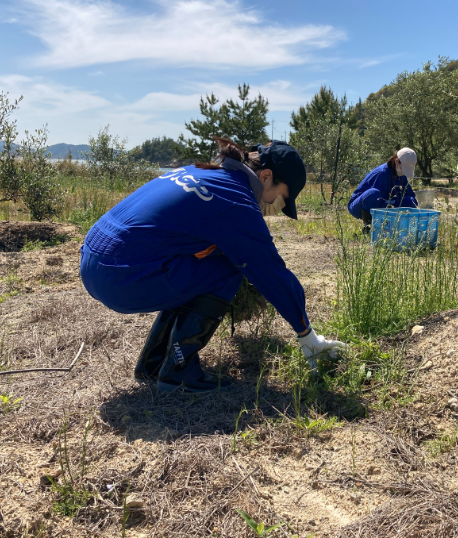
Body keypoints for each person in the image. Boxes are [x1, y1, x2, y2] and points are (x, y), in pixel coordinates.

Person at [80, 138, 346, 393]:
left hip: (94, 261)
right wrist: (307, 335)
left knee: (203, 259)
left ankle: (154, 362)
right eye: (282, 198)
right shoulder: (235, 200)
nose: (276, 207)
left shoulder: (200, 171)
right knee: (229, 266)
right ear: (265, 177)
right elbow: (271, 272)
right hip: (120, 277)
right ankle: (178, 371)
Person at [348, 148, 418, 234]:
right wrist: (392, 209)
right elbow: (377, 200)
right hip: (359, 206)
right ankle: (368, 227)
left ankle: (403, 227)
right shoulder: (382, 173)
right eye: (403, 168)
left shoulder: (401, 175)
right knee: (373, 193)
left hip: (385, 204)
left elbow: (410, 195)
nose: (404, 172)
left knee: (410, 201)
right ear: (396, 161)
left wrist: (412, 204)